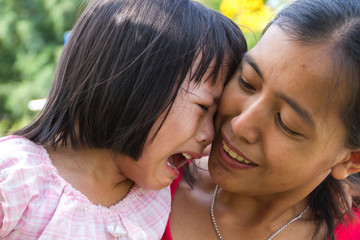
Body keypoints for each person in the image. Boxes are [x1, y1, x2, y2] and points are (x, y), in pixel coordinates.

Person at [0, 0, 246, 239]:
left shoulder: (156, 198)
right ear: (133, 84)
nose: (210, 135)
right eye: (203, 107)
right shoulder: (14, 175)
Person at [163, 0, 360, 239]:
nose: (240, 124)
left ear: (352, 159)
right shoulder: (148, 174)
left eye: (287, 123)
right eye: (247, 82)